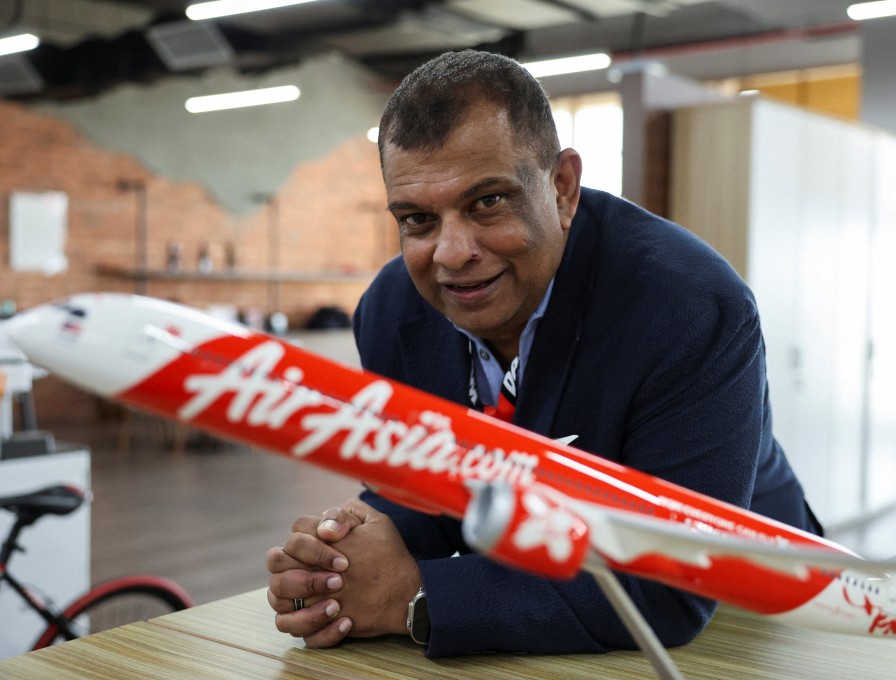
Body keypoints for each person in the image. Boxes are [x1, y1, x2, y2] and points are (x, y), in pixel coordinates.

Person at [265, 49, 821, 657]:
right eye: (418, 219)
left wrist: (413, 597)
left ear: (562, 188)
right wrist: (342, 561)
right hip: (545, 602)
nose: (451, 252)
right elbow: (428, 493)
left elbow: (672, 583)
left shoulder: (688, 306)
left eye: (487, 202)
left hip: (760, 612)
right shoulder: (391, 313)